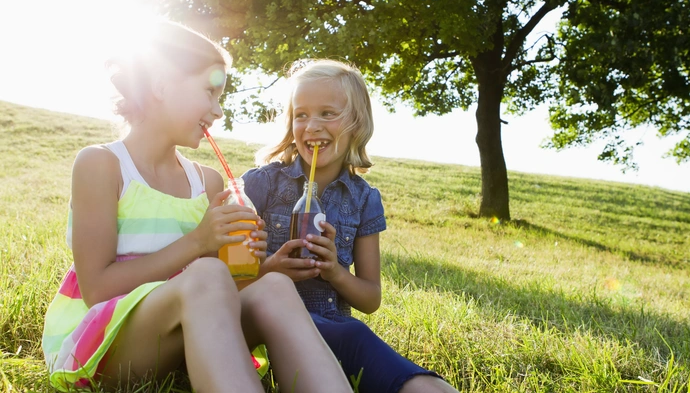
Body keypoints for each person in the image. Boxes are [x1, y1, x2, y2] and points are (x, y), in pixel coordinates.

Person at [41, 22, 352, 393]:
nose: (218, 111)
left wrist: (258, 265)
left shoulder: (207, 182)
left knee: (274, 288)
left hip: (187, 338)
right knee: (205, 272)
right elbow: (97, 289)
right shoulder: (101, 165)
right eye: (209, 92)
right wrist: (198, 244)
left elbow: (221, 295)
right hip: (104, 345)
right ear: (161, 85)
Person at [243, 59, 459, 393]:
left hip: (336, 327)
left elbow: (370, 298)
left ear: (356, 124)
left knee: (426, 385)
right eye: (301, 115)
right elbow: (225, 279)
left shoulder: (363, 199)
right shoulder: (262, 185)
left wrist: (335, 273)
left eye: (327, 114)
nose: (312, 125)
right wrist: (272, 269)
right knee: (353, 336)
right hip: (265, 327)